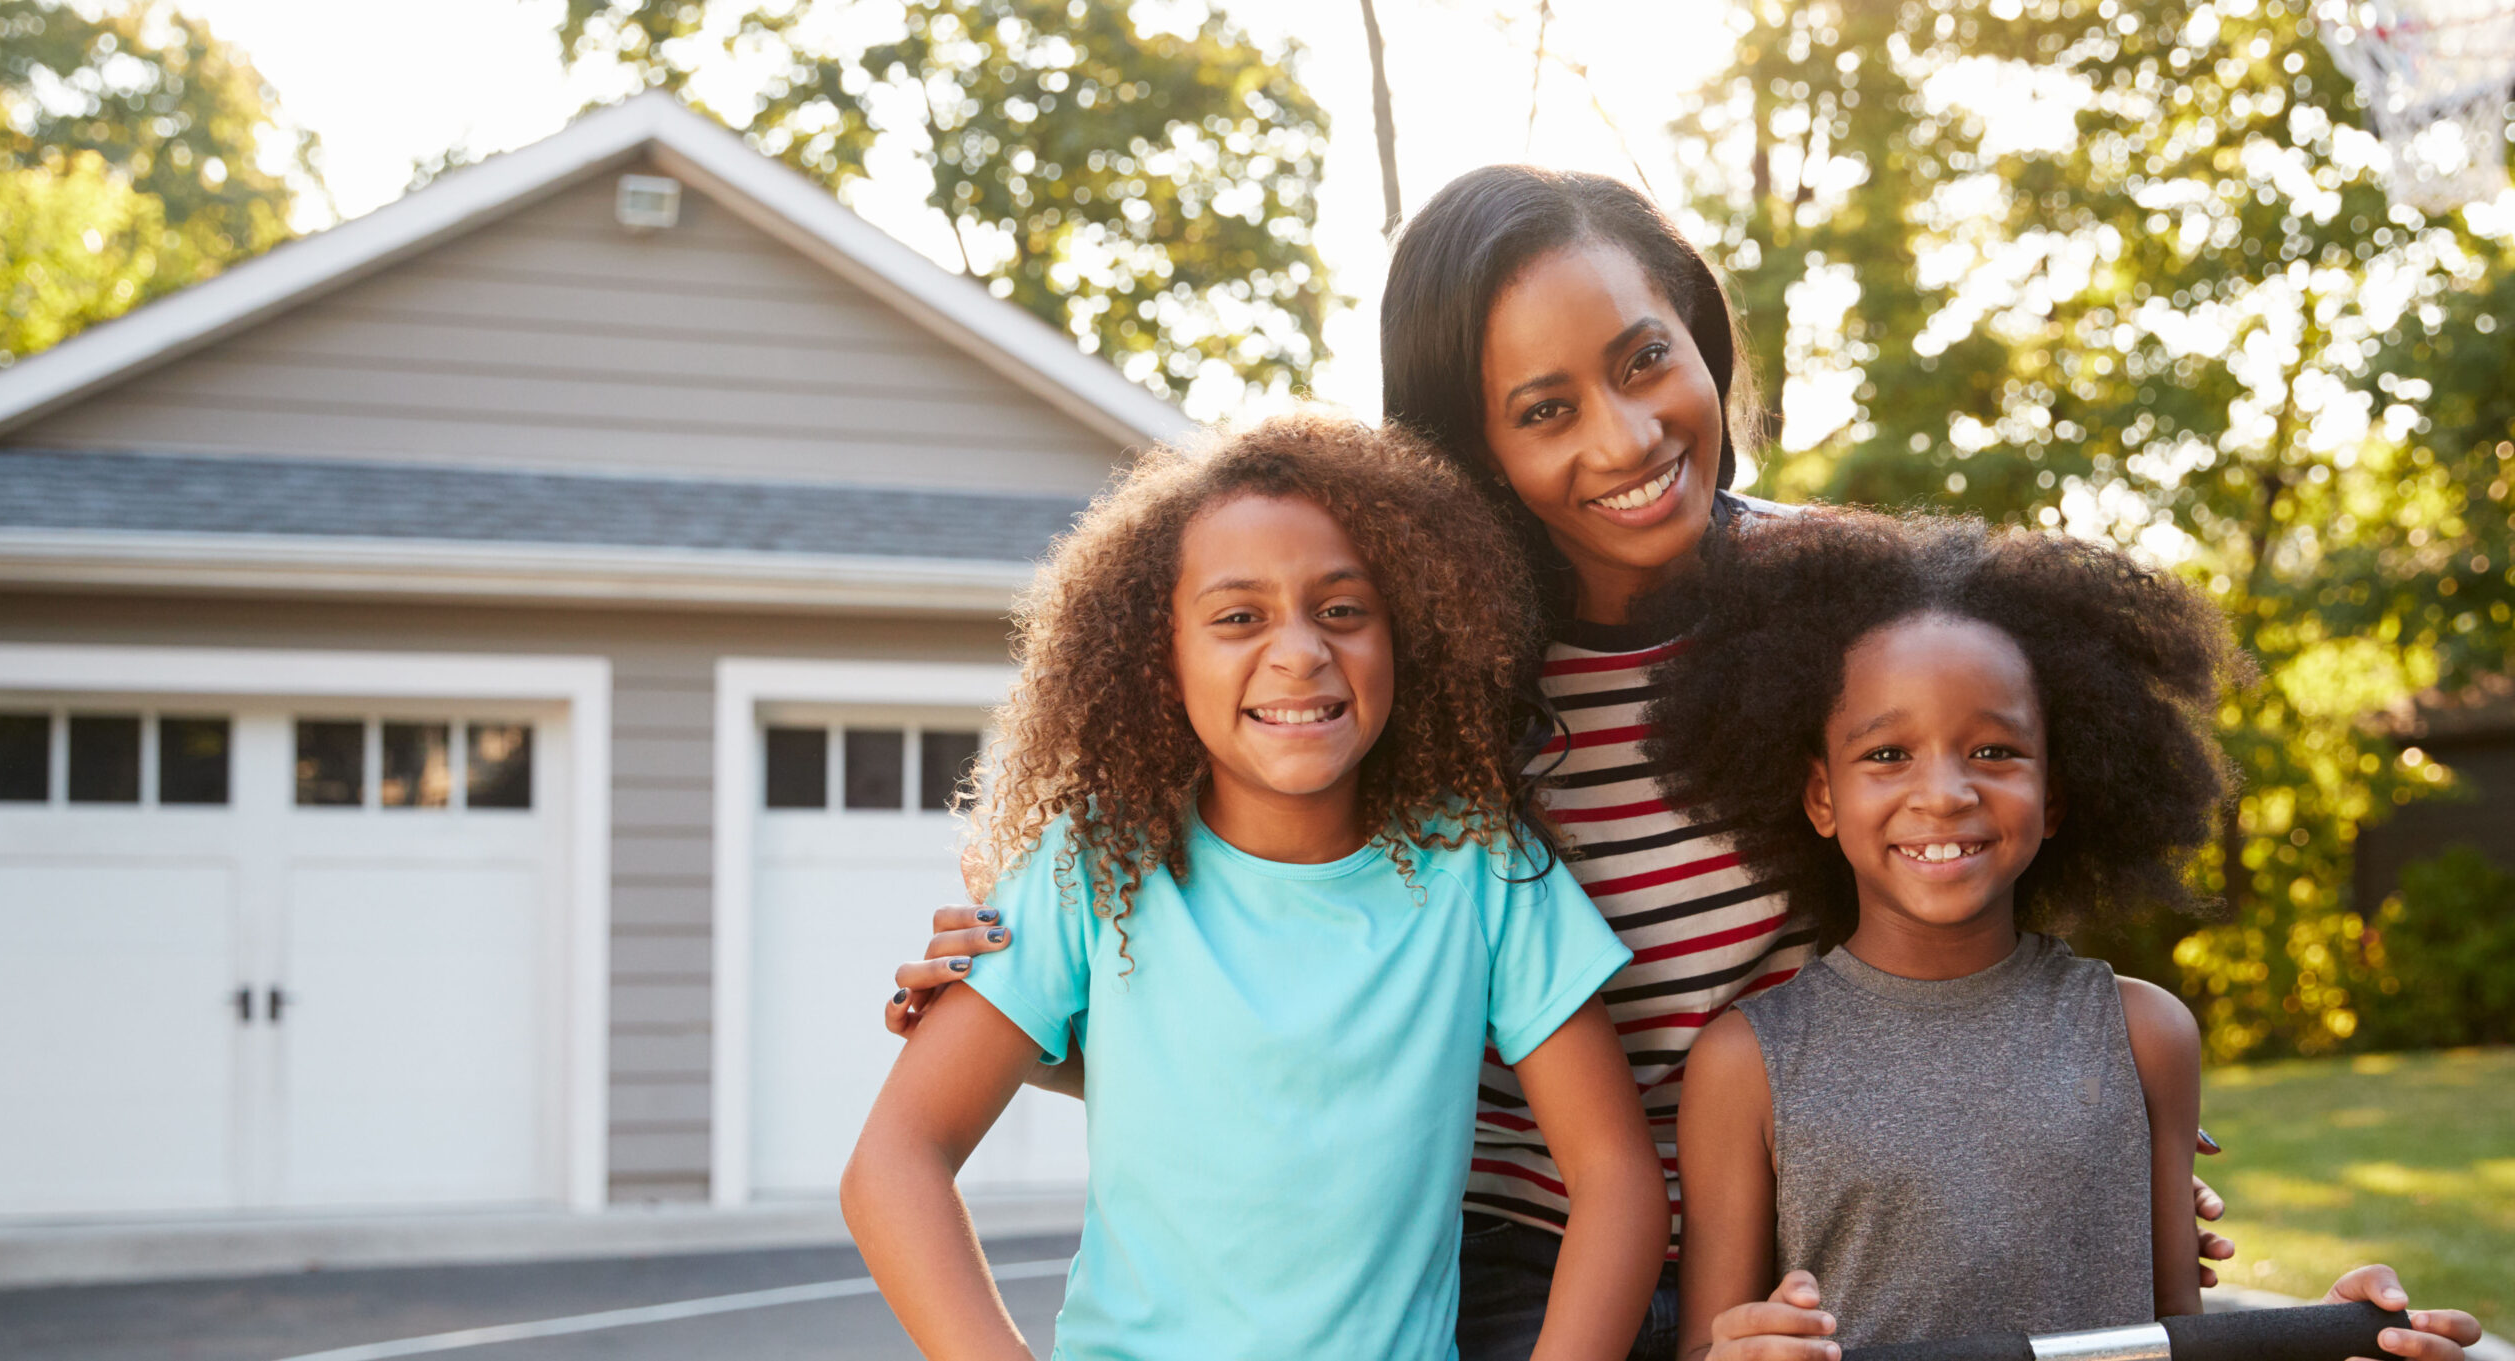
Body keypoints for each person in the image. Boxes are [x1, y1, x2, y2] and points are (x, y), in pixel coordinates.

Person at [882, 165, 2243, 1359]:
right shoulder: (1413, 659)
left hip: (1816, 1239)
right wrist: (1027, 1004)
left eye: (1646, 358)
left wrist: (2092, 1148)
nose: (1627, 436)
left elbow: (1972, 900)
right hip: (1512, 1269)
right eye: (1543, 410)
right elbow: (1265, 961)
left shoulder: (1854, 611)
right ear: (1468, 451)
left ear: (1702, 337)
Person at [841, 416, 1671, 1360]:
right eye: (1240, 616)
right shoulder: (1091, 863)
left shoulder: (1480, 865)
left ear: (1409, 634)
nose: (1300, 651)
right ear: (1164, 656)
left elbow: (1617, 1182)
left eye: (1343, 609)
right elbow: (893, 1165)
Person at [1664, 511, 2485, 1361]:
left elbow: (2176, 1338)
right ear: (1820, 795)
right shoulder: (1746, 1063)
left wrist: (2328, 1340)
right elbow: (1706, 1348)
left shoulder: (2145, 1035)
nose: (1943, 793)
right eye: (1886, 755)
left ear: (2056, 792)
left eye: (1993, 749)